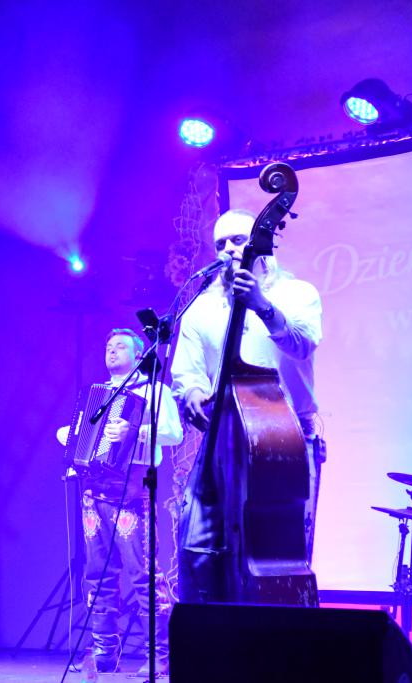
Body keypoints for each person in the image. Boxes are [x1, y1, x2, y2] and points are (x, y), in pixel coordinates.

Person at [171, 208, 324, 602]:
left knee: (278, 553)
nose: (228, 249)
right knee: (199, 546)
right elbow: (186, 373)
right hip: (222, 444)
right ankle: (211, 632)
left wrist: (261, 305)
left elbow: (302, 345)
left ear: (264, 242)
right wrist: (191, 393)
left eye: (238, 240)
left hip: (285, 441)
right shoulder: (201, 307)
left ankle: (277, 636)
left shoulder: (298, 293)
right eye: (220, 244)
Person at [59, 329, 183, 676]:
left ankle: (160, 654)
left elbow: (174, 433)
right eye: (108, 346)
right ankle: (104, 651)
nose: (111, 351)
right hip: (94, 493)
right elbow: (84, 435)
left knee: (143, 574)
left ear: (139, 354)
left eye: (120, 346)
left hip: (131, 492)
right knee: (98, 574)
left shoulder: (154, 390)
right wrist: (69, 437)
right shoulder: (97, 394)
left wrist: (137, 431)